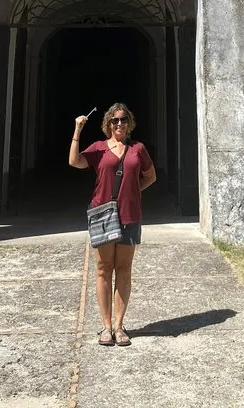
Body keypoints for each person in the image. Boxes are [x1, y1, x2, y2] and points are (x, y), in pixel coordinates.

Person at [69, 102, 156, 347]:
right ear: (108, 124)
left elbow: (150, 176)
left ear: (129, 123)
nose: (119, 124)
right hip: (102, 214)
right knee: (103, 269)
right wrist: (77, 129)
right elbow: (74, 161)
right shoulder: (98, 149)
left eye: (124, 119)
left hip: (130, 214)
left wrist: (133, 192)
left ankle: (119, 326)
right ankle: (106, 327)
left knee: (124, 269)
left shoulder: (138, 149)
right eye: (115, 120)